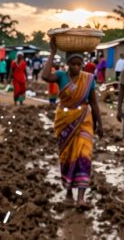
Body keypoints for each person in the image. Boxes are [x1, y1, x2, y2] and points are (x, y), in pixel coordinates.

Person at [42, 37, 103, 209]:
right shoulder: (61, 76)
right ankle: (68, 192)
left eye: (79, 64)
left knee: (84, 155)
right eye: (73, 64)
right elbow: (45, 75)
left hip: (84, 120)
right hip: (64, 121)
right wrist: (53, 52)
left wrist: (100, 124)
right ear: (68, 64)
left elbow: (94, 102)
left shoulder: (88, 79)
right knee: (67, 157)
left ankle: (81, 197)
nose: (76, 67)